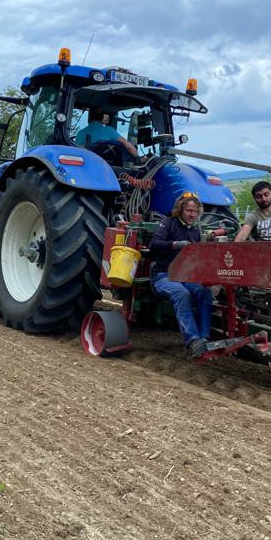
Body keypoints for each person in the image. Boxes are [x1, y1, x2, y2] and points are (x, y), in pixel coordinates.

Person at [150, 193, 213, 357]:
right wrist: (175, 245)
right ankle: (192, 340)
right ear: (181, 210)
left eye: (195, 211)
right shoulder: (168, 223)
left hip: (184, 277)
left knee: (203, 291)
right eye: (189, 210)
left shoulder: (195, 231)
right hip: (163, 275)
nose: (192, 214)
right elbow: (154, 245)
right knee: (182, 293)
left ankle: (204, 338)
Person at [74, 106, 140, 161]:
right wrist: (138, 158)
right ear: (102, 118)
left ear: (89, 117)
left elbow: (76, 153)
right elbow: (129, 147)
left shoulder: (80, 133)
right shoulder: (109, 131)